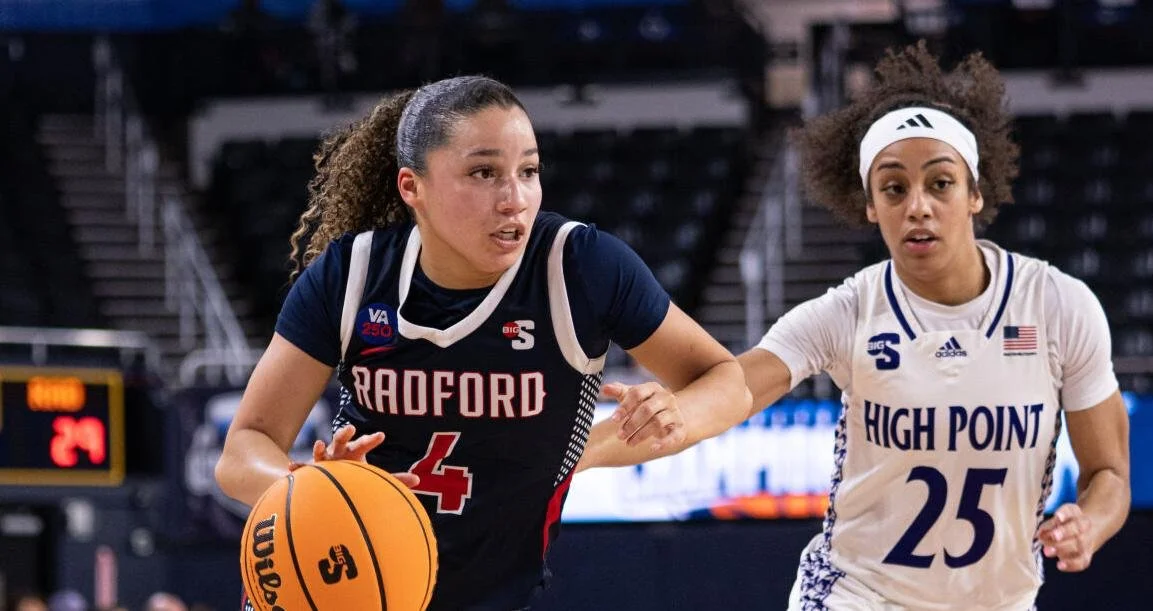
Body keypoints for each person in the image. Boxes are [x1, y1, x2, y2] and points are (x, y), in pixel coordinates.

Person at [215, 75, 751, 611]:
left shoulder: (578, 267)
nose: (514, 199)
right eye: (484, 173)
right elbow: (242, 450)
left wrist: (676, 412)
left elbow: (727, 382)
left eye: (529, 171)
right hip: (332, 588)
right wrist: (308, 489)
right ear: (412, 187)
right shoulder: (352, 273)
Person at [737, 42, 1130, 610]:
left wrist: (1089, 524)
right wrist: (662, 405)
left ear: (975, 193)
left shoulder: (1057, 306)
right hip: (858, 595)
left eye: (940, 183)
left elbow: (1109, 473)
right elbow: (737, 386)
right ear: (871, 205)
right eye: (894, 188)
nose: (917, 206)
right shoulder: (849, 311)